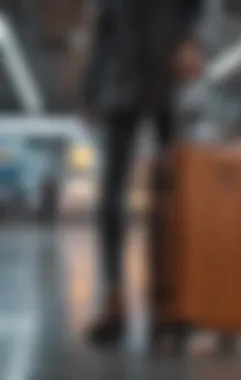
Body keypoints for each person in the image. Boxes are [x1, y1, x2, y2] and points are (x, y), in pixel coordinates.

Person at [81, 0, 204, 347]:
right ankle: (114, 299)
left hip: (167, 74)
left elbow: (195, 7)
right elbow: (104, 31)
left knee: (175, 195)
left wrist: (189, 41)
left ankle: (174, 298)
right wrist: (91, 90)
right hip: (121, 78)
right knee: (110, 195)